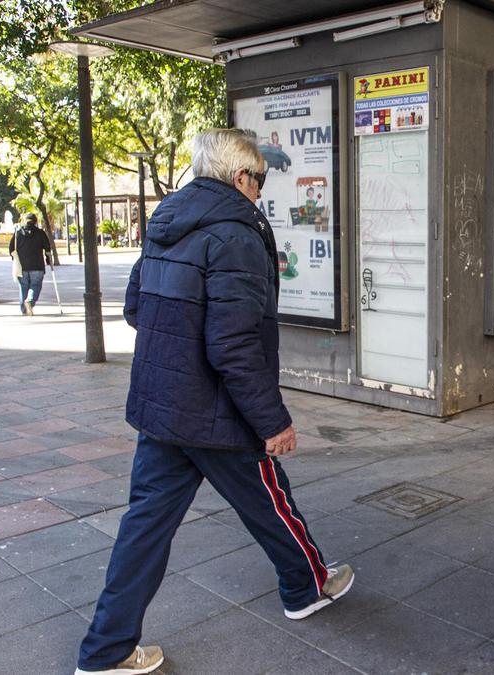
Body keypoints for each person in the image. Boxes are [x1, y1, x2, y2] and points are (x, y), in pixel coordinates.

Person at [74, 129, 353, 675]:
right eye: (261, 182)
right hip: (218, 411)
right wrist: (273, 421)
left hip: (162, 408)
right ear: (242, 177)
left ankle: (105, 652)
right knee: (271, 502)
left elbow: (137, 309)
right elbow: (233, 342)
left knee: (144, 527)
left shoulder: (166, 224)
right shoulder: (238, 235)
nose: (261, 194)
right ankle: (307, 585)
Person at [8, 213, 52, 316]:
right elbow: (47, 247)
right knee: (35, 285)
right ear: (35, 222)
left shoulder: (18, 234)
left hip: (21, 266)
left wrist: (14, 259)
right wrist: (48, 260)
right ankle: (30, 302)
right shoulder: (40, 233)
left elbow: (11, 248)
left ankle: (24, 309)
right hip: (37, 266)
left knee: (23, 287)